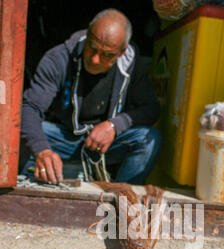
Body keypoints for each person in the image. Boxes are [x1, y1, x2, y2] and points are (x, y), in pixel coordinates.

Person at [20, 9, 162, 185]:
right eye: (92, 48)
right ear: (88, 35)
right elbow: (30, 107)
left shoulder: (133, 67)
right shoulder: (58, 58)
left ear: (122, 52)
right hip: (64, 138)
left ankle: (120, 198)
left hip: (106, 145)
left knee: (149, 139)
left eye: (107, 54)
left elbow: (151, 109)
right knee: (17, 131)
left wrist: (114, 126)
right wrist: (42, 150)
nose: (95, 59)